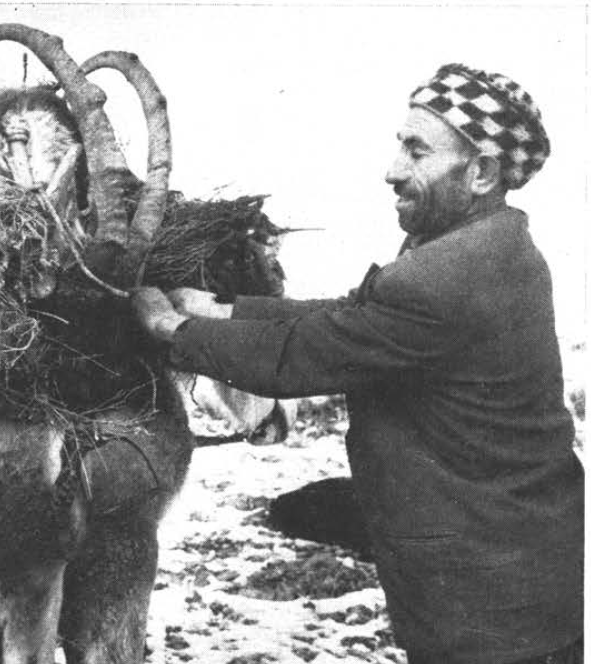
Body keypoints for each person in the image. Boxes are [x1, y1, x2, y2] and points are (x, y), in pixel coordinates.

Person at [132, 63, 583, 664]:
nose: (392, 169)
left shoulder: (451, 275)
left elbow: (307, 355)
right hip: (515, 552)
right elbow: (353, 314)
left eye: (417, 151)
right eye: (400, 145)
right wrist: (222, 309)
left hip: (492, 598)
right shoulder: (483, 246)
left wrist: (173, 329)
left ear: (481, 172)